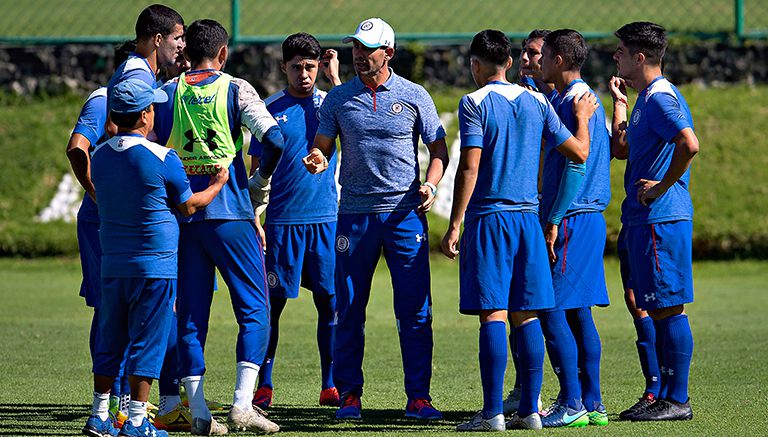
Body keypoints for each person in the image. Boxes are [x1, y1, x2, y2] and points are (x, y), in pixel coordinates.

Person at [441, 29, 597, 431]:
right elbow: (579, 152)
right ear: (509, 62)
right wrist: (581, 119)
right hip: (529, 220)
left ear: (475, 64)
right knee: (526, 316)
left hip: (490, 219)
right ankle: (530, 412)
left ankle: (492, 412)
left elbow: (470, 166)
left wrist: (455, 221)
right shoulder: (537, 101)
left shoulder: (473, 102)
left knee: (493, 314)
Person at [303, 17, 449, 421]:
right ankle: (349, 395)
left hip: (404, 217)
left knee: (416, 310)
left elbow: (440, 151)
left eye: (368, 48)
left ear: (389, 52)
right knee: (348, 307)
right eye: (356, 47)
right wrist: (318, 158)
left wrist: (431, 186)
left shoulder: (415, 94)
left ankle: (418, 397)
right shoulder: (337, 98)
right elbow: (323, 146)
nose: (359, 55)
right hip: (353, 216)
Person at [153, 19, 284, 435]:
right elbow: (275, 140)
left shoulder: (167, 92)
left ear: (186, 50)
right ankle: (243, 404)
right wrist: (258, 182)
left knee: (190, 315)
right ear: (223, 53)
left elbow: (151, 145)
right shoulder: (236, 88)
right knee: (255, 309)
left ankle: (198, 411)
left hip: (185, 216)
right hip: (232, 214)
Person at [84, 78, 228, 437]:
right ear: (146, 115)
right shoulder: (163, 157)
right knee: (148, 340)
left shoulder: (98, 157)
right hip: (155, 265)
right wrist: (217, 184)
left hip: (114, 262)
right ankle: (136, 420)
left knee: (110, 338)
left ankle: (99, 413)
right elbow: (188, 205)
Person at [609, 21, 698, 422]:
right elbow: (628, 150)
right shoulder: (646, 96)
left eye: (621, 51)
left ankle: (677, 399)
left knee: (668, 309)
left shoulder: (661, 98)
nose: (616, 57)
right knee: (657, 307)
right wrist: (621, 105)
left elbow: (689, 143)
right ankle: (663, 394)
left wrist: (662, 186)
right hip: (646, 219)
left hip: (662, 217)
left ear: (640, 57)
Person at [248, 32, 342, 410]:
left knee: (330, 302)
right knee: (272, 305)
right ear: (283, 67)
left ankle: (331, 385)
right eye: (296, 67)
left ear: (318, 66)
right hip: (282, 224)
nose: (304, 74)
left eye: (310, 66)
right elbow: (255, 172)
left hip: (326, 221)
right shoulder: (268, 110)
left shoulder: (332, 105)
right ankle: (263, 384)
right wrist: (256, 218)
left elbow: (358, 132)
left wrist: (336, 81)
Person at [537, 28, 611, 427]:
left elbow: (576, 165)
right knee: (578, 311)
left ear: (559, 60)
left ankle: (571, 402)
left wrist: (553, 219)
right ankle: (593, 402)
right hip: (588, 217)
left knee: (550, 308)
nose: (540, 61)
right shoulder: (582, 99)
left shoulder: (571, 104)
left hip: (571, 216)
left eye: (544, 55)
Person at [67, 40, 137, 425]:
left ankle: (125, 397)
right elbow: (77, 148)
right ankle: (110, 400)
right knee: (110, 307)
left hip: (131, 221)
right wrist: (99, 194)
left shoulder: (151, 96)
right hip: (103, 221)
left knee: (132, 305)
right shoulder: (103, 98)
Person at [503, 28, 551, 416]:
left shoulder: (558, 103)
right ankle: (526, 391)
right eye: (523, 52)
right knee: (520, 306)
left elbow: (578, 156)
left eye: (534, 53)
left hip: (548, 216)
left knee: (554, 311)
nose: (525, 59)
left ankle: (579, 398)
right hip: (528, 215)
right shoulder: (523, 98)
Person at [107, 4, 185, 101]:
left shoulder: (141, 71)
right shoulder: (139, 78)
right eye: (177, 38)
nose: (181, 45)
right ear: (158, 39)